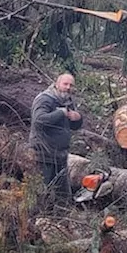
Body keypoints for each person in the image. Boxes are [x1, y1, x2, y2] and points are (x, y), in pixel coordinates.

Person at [29, 73, 83, 201]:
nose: (68, 87)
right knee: (41, 192)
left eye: (71, 85)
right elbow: (39, 120)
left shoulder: (67, 101)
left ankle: (61, 218)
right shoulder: (45, 99)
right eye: (65, 84)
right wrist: (60, 112)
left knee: (63, 196)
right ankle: (37, 218)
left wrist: (78, 118)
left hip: (60, 155)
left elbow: (73, 126)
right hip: (44, 154)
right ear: (57, 84)